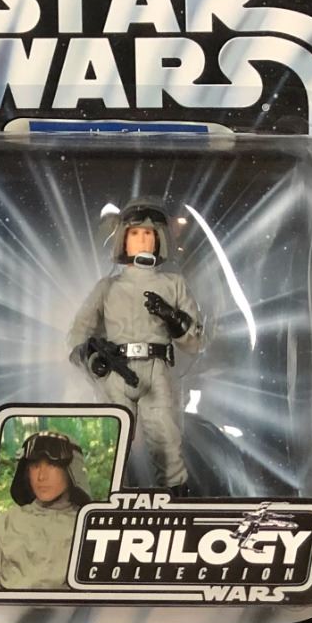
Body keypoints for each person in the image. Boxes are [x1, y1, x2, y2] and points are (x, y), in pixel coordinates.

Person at [66, 199, 203, 496]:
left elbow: (194, 341)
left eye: (149, 234)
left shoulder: (173, 284)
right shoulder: (107, 287)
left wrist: (171, 316)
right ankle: (107, 501)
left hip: (157, 369)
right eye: (135, 233)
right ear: (123, 239)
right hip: (116, 371)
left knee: (166, 439)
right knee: (111, 439)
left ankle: (175, 503)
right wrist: (91, 356)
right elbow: (77, 334)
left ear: (159, 239)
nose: (142, 240)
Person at [0, 430, 92, 591]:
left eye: (52, 465)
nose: (41, 477)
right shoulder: (7, 522)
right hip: (9, 606)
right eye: (35, 466)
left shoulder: (89, 526)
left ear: (72, 470)